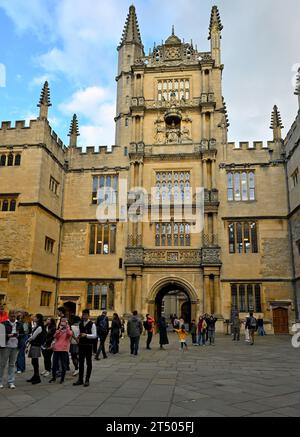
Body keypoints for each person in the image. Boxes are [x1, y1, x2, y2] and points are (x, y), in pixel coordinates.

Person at [0, 310, 24, 389]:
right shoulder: (4, 323)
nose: (13, 318)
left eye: (14, 316)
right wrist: (8, 335)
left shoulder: (19, 324)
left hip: (15, 346)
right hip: (6, 346)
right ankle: (0, 381)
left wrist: (18, 335)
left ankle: (11, 381)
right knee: (2, 364)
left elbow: (22, 334)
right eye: (12, 316)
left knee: (12, 364)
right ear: (9, 316)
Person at [73, 309, 97, 387]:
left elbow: (95, 335)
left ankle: (87, 379)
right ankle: (80, 379)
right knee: (81, 362)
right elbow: (79, 333)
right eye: (83, 315)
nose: (84, 316)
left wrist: (86, 335)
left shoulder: (92, 324)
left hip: (88, 346)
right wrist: (78, 337)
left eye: (85, 315)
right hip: (81, 345)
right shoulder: (80, 324)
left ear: (88, 315)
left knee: (88, 362)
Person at [49, 318, 72, 384]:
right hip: (56, 349)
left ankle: (62, 378)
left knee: (63, 365)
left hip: (64, 350)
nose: (62, 323)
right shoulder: (58, 330)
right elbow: (55, 336)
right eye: (62, 321)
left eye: (64, 321)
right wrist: (59, 329)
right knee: (54, 364)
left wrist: (67, 326)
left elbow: (69, 334)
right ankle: (53, 377)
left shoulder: (69, 330)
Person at [26, 314, 45, 385]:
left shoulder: (39, 327)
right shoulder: (38, 326)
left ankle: (37, 377)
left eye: (35, 317)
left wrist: (28, 340)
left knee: (35, 361)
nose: (33, 318)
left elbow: (33, 337)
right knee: (33, 361)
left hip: (36, 345)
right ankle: (35, 376)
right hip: (34, 345)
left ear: (38, 319)